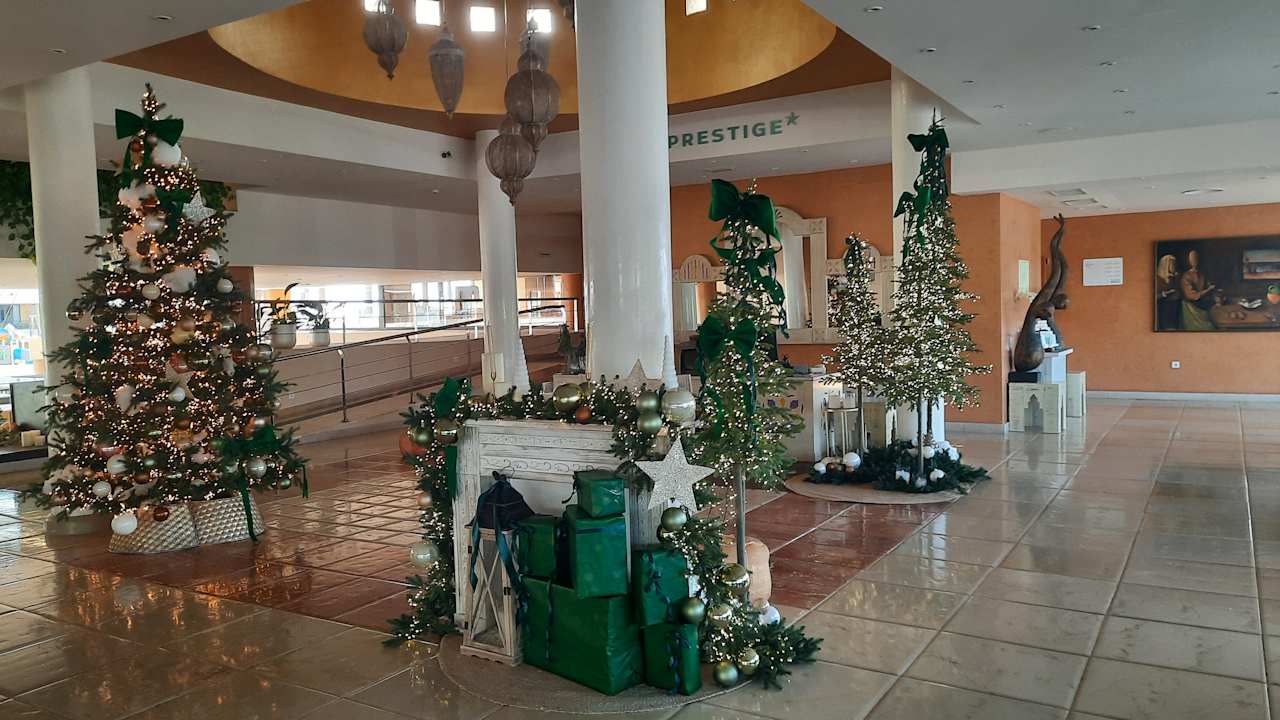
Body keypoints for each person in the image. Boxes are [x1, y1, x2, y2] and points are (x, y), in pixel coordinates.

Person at [1179, 249, 1217, 330]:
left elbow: (1209, 285)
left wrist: (1211, 288)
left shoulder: (1202, 273)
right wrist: (1209, 290)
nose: (1194, 260)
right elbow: (1193, 296)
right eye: (1192, 258)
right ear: (1189, 260)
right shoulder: (1186, 276)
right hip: (1191, 309)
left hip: (1202, 305)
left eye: (1196, 258)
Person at [1156, 254, 1181, 330]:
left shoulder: (1175, 278)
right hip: (1164, 307)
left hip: (1175, 307)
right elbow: (1155, 296)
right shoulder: (1158, 279)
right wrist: (1166, 294)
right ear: (1166, 265)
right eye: (1172, 264)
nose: (1174, 266)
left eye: (1175, 264)